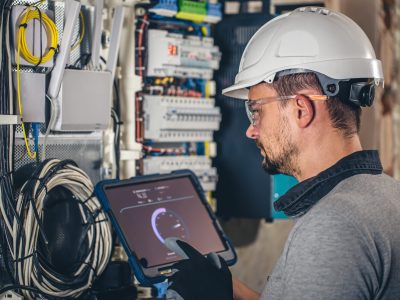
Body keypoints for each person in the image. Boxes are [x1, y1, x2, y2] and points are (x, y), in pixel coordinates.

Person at [167, 6, 400, 300]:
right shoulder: (385, 194)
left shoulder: (333, 226)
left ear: (301, 109)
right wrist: (230, 290)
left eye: (256, 112)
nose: (251, 130)